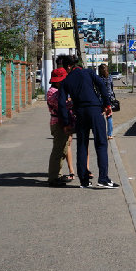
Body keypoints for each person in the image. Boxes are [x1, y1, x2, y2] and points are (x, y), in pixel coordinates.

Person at [57, 56, 118, 189]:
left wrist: (66, 123)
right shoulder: (88, 72)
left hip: (80, 114)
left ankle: (84, 180)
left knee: (82, 145)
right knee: (101, 143)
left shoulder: (66, 81)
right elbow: (102, 85)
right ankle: (103, 178)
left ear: (68, 67)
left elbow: (61, 103)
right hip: (95, 111)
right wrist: (107, 104)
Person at [46, 67, 75, 187]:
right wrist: (72, 101)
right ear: (57, 81)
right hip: (58, 123)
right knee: (58, 151)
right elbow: (62, 105)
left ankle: (58, 175)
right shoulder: (53, 92)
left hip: (61, 122)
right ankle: (53, 178)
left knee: (63, 150)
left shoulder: (57, 91)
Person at [97, 63, 116, 139]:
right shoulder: (110, 77)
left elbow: (97, 89)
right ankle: (110, 134)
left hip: (100, 98)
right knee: (109, 116)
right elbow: (111, 87)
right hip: (109, 99)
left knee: (100, 116)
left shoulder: (98, 78)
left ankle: (101, 134)